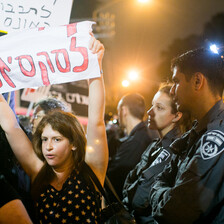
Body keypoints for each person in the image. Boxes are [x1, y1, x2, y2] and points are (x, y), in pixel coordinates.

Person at [0, 36, 108, 223]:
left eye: (56, 139)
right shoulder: (38, 171)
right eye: (44, 139)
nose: (48, 146)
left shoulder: (92, 170)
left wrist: (95, 66)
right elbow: (11, 126)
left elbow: (96, 120)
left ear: (73, 143)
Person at [149, 46, 224, 223]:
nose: (172, 90)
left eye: (176, 81)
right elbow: (162, 180)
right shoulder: (196, 133)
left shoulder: (217, 136)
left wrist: (159, 193)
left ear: (197, 81)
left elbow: (176, 210)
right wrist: (165, 192)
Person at [122, 83, 191, 223]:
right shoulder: (155, 144)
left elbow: (140, 198)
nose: (150, 112)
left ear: (177, 115)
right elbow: (130, 182)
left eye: (159, 108)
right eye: (152, 105)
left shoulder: (175, 149)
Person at [107, 93, 158, 201]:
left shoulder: (135, 142)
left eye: (118, 110)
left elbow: (111, 175)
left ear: (124, 110)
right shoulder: (143, 135)